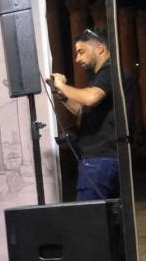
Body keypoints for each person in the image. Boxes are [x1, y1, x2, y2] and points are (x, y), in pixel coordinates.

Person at [48, 27, 135, 201]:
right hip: (103, 160)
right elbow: (83, 109)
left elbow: (90, 98)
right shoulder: (101, 76)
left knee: (88, 215)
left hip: (101, 160)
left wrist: (62, 85)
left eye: (81, 52)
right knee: (107, 215)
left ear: (99, 48)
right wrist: (62, 95)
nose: (77, 58)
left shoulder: (109, 72)